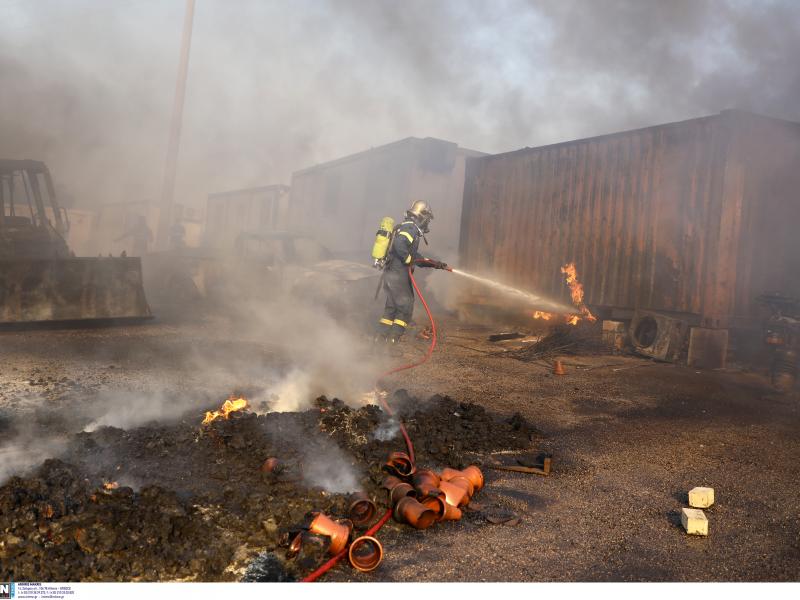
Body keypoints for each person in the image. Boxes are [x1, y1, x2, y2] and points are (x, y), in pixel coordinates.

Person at [375, 200, 448, 349]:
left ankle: (381, 338)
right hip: (398, 275)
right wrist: (408, 259)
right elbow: (400, 245)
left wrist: (435, 264)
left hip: (391, 274)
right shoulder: (410, 229)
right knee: (405, 306)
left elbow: (416, 257)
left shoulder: (405, 226)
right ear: (421, 216)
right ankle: (393, 340)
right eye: (427, 219)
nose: (427, 223)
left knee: (392, 307)